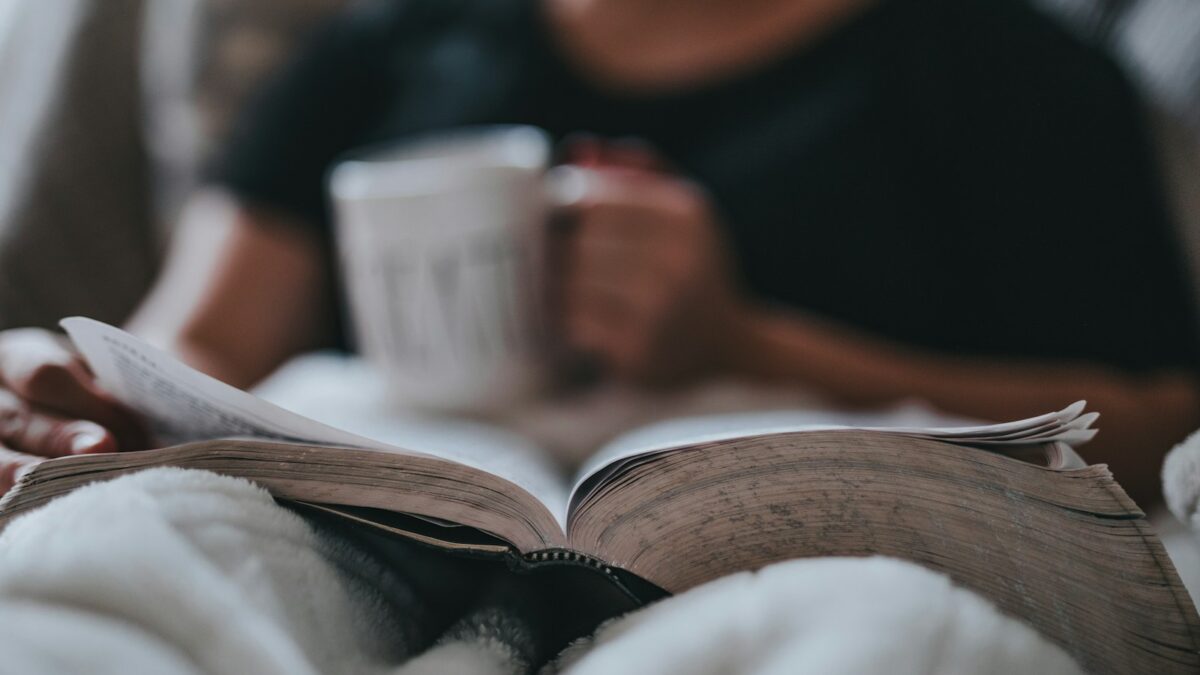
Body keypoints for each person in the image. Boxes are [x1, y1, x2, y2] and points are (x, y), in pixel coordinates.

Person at [0, 0, 1197, 504]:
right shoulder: (383, 49)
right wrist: (56, 390)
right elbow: (190, 344)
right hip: (382, 529)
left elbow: (1157, 423)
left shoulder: (1006, 71)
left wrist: (743, 344)